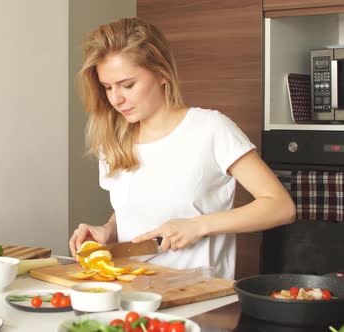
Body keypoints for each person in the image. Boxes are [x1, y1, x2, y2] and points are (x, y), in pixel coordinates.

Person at [68, 17, 296, 279]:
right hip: (133, 298)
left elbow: (280, 206)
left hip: (200, 303)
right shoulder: (114, 140)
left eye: (128, 85)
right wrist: (108, 230)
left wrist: (198, 226)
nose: (116, 99)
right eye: (107, 88)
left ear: (162, 73)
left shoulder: (210, 129)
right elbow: (138, 204)